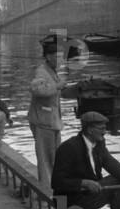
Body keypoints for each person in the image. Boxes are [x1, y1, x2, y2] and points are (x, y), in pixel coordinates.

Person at [27, 34, 82, 188]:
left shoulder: (52, 71)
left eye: (61, 57)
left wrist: (75, 89)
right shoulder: (41, 71)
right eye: (57, 57)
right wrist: (58, 86)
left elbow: (56, 93)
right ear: (48, 57)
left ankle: (52, 187)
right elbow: (36, 89)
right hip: (43, 121)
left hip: (52, 122)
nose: (60, 61)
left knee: (55, 158)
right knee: (46, 159)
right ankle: (45, 191)